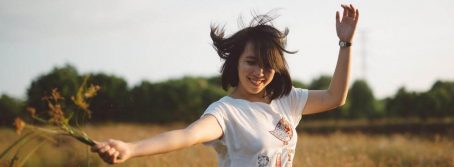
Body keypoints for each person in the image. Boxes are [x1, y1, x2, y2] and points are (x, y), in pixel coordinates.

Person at [92, 4, 359, 166]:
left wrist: (345, 44)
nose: (259, 72)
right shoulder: (225, 112)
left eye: (267, 65)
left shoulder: (286, 99)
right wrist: (131, 148)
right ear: (236, 63)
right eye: (251, 62)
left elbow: (335, 97)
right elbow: (187, 135)